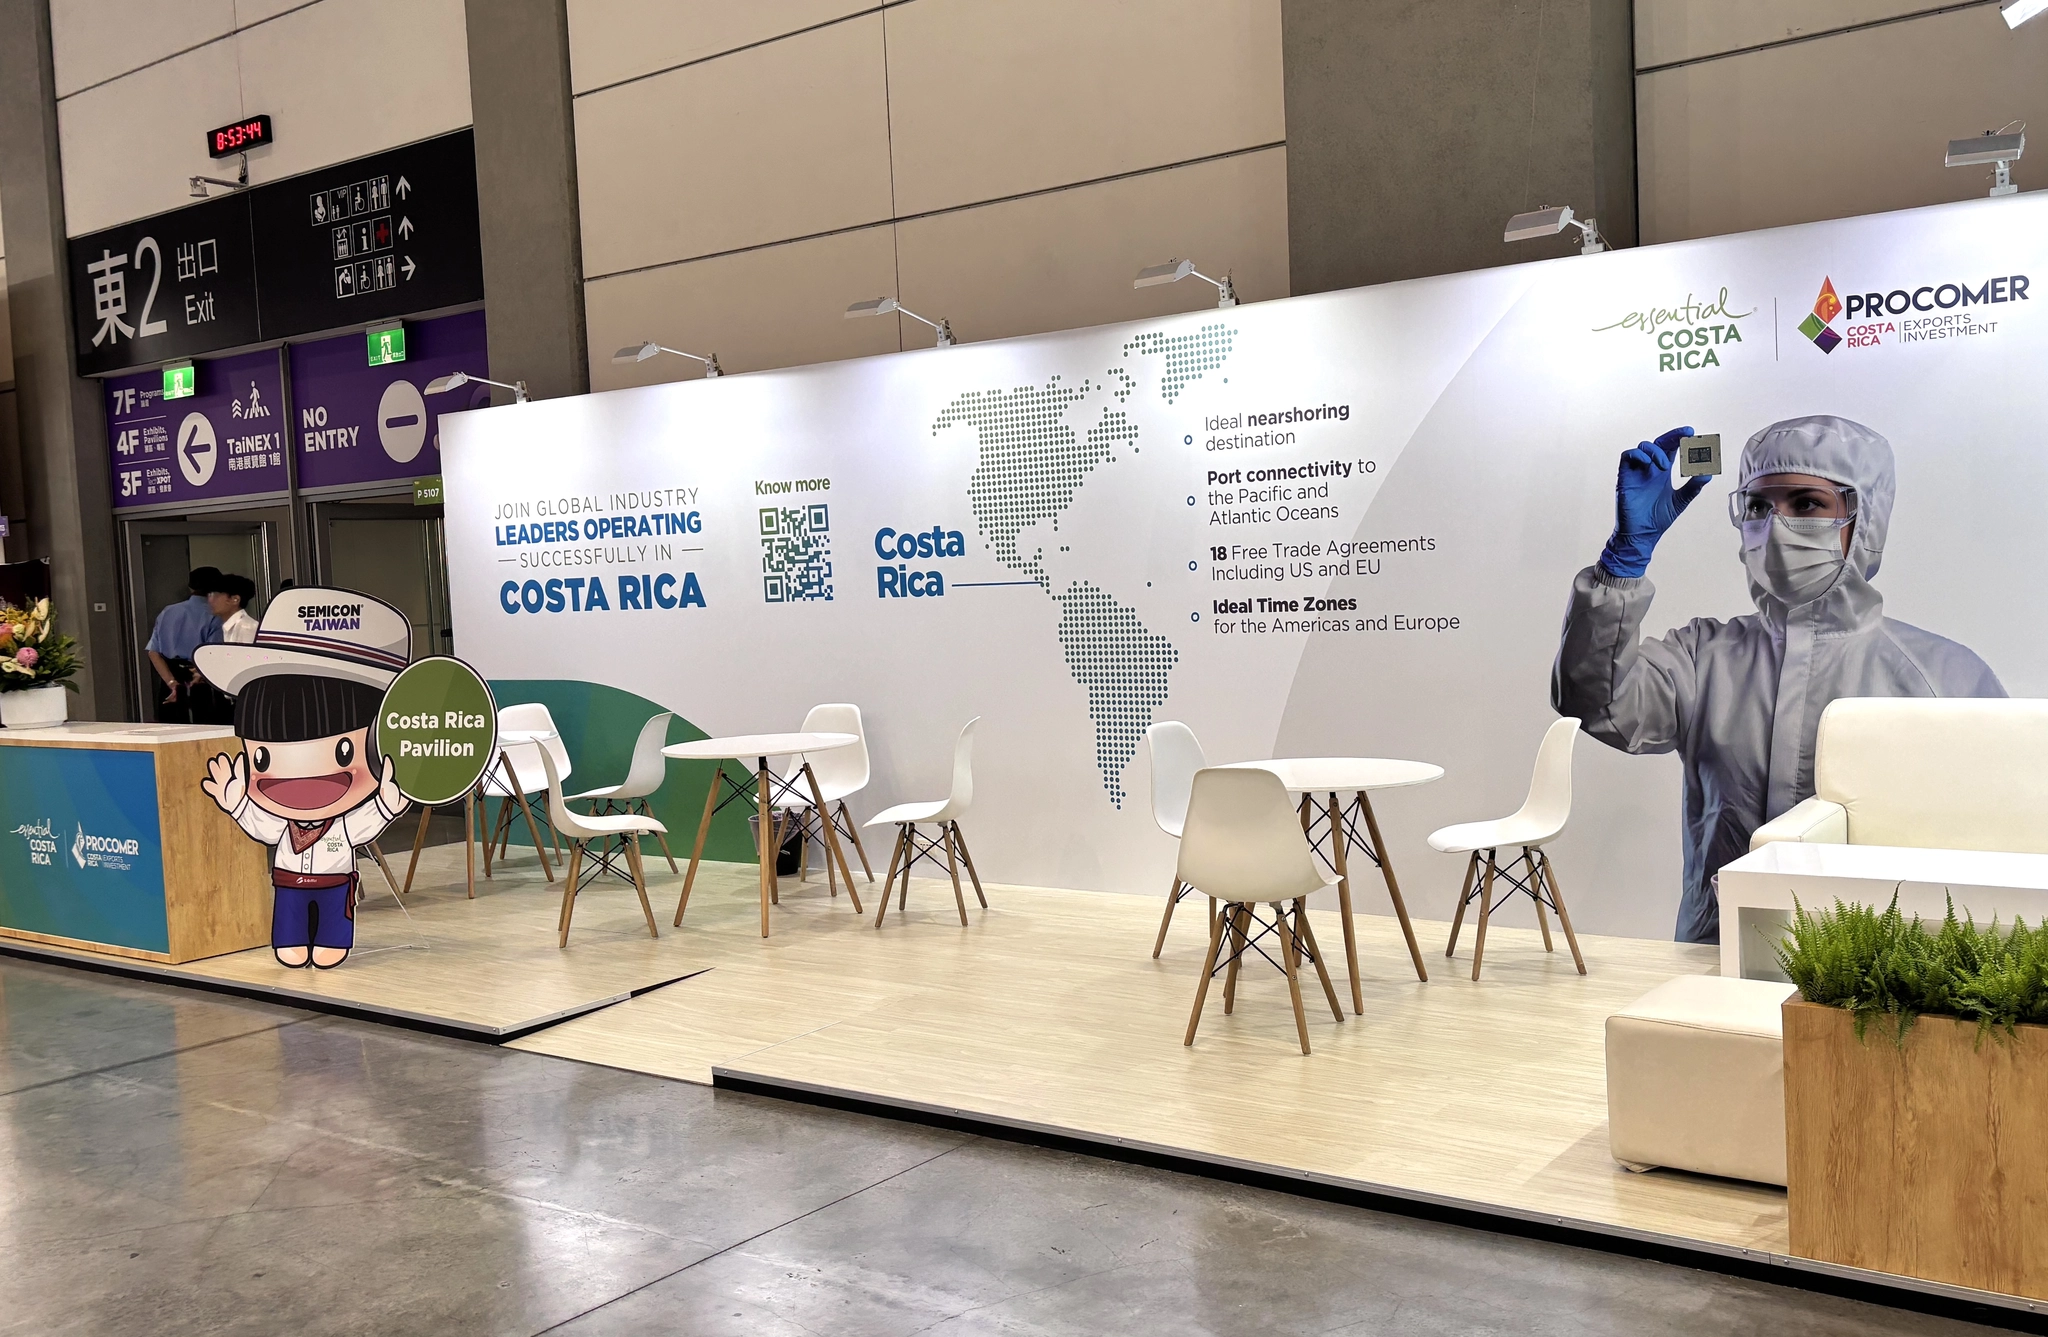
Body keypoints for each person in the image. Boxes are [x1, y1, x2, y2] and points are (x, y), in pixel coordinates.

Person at [1552, 416, 2003, 944]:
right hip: (1720, 952)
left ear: (1867, 519)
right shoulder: (1703, 656)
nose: (1776, 526)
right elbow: (1595, 702)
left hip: (1882, 970)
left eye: (1807, 504)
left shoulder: (1944, 678)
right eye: (1758, 506)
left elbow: (1997, 841)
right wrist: (1622, 563)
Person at [196, 588, 412, 969]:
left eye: (343, 752)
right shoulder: (282, 824)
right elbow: (264, 828)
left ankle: (330, 941)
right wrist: (238, 804)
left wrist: (385, 806)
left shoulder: (341, 824)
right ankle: (293, 941)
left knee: (332, 929)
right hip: (288, 884)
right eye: (263, 757)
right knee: (290, 930)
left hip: (335, 884)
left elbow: (361, 826)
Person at [145, 567, 222, 723]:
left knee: (171, 727)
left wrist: (171, 683)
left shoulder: (168, 611)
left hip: (169, 675)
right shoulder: (215, 615)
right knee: (207, 728)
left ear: (190, 587)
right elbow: (213, 653)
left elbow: (153, 652)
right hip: (202, 678)